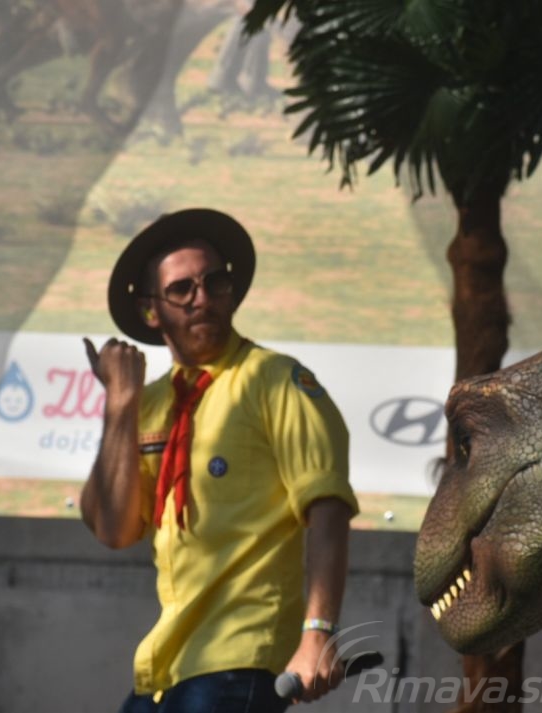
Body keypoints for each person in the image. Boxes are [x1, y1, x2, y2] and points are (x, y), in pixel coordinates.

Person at [80, 208, 358, 712]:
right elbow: (114, 530)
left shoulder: (276, 379)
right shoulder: (147, 402)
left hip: (241, 660)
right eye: (182, 289)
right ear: (150, 312)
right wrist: (119, 404)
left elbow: (329, 508)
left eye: (214, 282)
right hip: (166, 667)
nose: (202, 298)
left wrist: (318, 633)